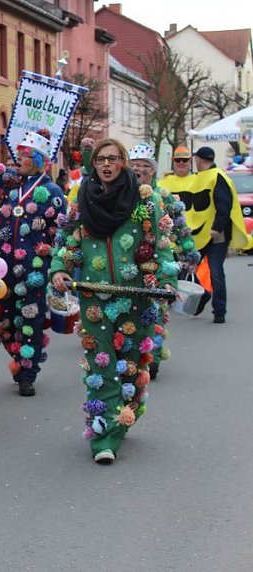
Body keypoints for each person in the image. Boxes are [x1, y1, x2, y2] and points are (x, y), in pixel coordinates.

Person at [50, 139, 178, 464]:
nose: (106, 164)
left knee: (132, 371)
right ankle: (103, 436)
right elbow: (68, 242)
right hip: (94, 298)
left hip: (137, 299)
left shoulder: (144, 203)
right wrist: (60, 268)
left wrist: (165, 280)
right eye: (101, 159)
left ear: (123, 163)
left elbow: (160, 247)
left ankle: (125, 415)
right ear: (95, 165)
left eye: (113, 158)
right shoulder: (82, 202)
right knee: (101, 366)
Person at [0, 101, 67, 397]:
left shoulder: (52, 193)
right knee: (5, 316)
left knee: (31, 317)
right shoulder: (8, 185)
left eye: (25, 155)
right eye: (19, 154)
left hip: (34, 268)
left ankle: (28, 371)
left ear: (38, 159)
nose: (19, 159)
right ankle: (17, 356)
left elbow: (61, 233)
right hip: (4, 265)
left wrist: (52, 259)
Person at [129, 143, 200, 378]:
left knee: (157, 311)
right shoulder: (123, 195)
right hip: (129, 262)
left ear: (152, 170)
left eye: (144, 166)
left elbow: (181, 228)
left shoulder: (165, 197)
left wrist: (190, 254)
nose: (139, 169)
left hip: (159, 260)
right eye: (134, 165)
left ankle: (154, 357)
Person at [187, 146, 249, 323]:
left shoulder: (217, 177)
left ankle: (219, 311)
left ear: (199, 160)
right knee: (192, 270)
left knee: (215, 272)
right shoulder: (201, 177)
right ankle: (203, 295)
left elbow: (224, 206)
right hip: (200, 233)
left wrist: (217, 228)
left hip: (216, 234)